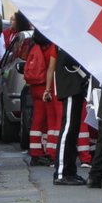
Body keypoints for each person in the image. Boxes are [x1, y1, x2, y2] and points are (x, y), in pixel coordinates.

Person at [51, 45, 89, 185]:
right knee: (68, 129)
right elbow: (69, 58)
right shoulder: (67, 33)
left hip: (74, 82)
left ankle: (69, 170)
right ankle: (62, 172)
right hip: (71, 82)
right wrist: (84, 73)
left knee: (72, 129)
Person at [25, 30, 58, 166]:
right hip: (46, 86)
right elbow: (51, 68)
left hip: (35, 87)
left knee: (37, 121)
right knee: (51, 121)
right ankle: (50, 152)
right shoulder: (51, 47)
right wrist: (48, 89)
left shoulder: (34, 47)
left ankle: (35, 153)